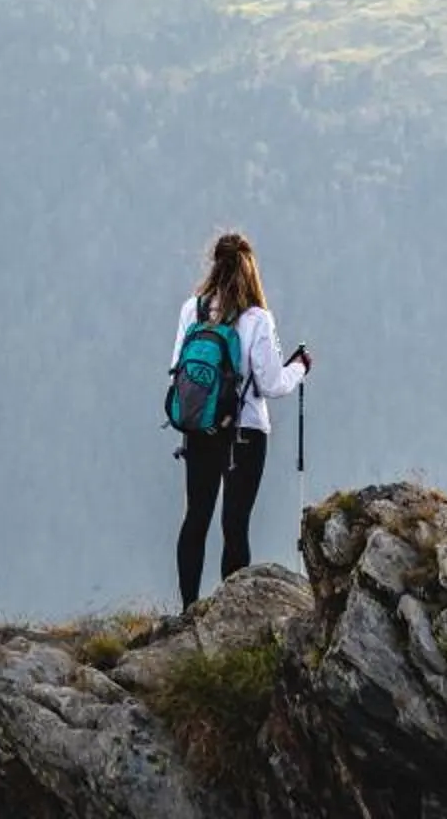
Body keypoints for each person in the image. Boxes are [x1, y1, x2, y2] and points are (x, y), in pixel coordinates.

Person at [169, 231, 312, 612]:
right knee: (235, 524)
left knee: (196, 517)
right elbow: (271, 384)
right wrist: (299, 368)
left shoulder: (192, 310)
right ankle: (230, 616)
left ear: (214, 263)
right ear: (250, 269)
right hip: (245, 433)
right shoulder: (257, 318)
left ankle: (187, 609)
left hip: (200, 429)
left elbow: (177, 371)